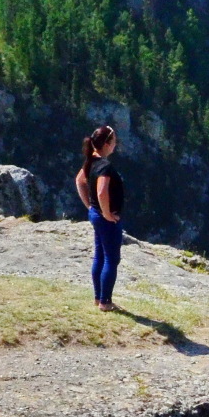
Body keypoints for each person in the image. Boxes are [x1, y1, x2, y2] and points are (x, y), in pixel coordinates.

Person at [75, 125, 124, 311]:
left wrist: (90, 206)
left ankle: (98, 298)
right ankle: (105, 302)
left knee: (100, 256)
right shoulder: (105, 166)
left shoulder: (91, 161)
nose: (116, 145)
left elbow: (79, 181)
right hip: (106, 218)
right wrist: (106, 213)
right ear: (107, 144)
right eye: (114, 141)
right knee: (111, 259)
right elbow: (102, 191)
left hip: (95, 214)